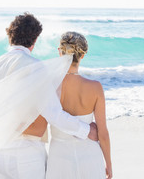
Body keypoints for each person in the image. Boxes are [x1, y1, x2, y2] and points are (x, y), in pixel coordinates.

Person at [0, 13, 98, 179]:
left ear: (10, 36)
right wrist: (87, 130)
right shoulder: (35, 68)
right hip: (27, 155)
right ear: (34, 40)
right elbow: (54, 114)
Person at [46, 32, 112, 179]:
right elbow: (103, 133)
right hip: (90, 154)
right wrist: (108, 164)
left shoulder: (50, 85)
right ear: (82, 55)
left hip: (59, 156)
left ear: (60, 52)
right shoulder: (95, 87)